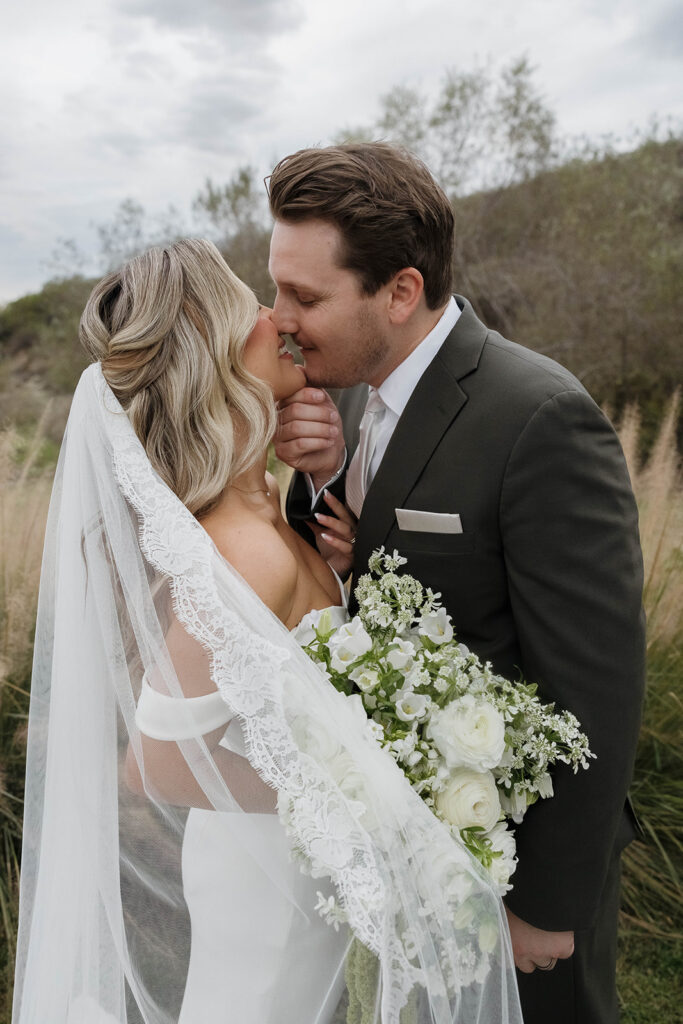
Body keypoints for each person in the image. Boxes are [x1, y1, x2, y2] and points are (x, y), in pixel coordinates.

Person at [12, 239, 523, 1023]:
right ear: (211, 343)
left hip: (285, 874)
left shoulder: (267, 509)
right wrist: (372, 790)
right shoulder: (239, 546)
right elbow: (155, 765)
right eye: (248, 302)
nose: (273, 316)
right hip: (264, 891)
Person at [268, 142, 646, 1024]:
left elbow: (594, 685)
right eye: (278, 287)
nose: (279, 318)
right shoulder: (349, 394)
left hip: (516, 859)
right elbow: (371, 576)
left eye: (306, 297)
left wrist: (543, 903)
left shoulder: (538, 417)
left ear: (399, 292)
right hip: (403, 850)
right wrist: (320, 486)